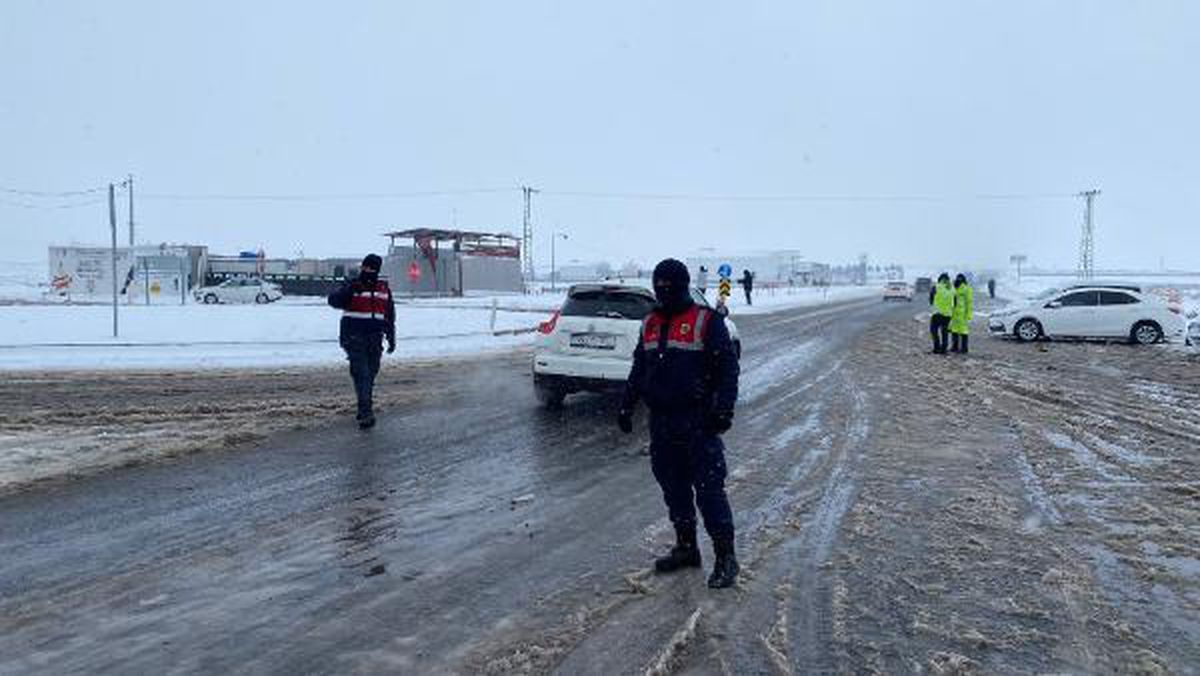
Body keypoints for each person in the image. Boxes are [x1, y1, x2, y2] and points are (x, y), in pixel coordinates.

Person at [619, 258, 741, 589]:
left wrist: (724, 409)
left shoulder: (706, 321)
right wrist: (627, 405)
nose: (663, 291)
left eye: (669, 286)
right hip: (662, 423)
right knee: (673, 489)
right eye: (658, 286)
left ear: (683, 285)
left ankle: (726, 557)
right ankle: (687, 548)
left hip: (699, 422)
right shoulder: (650, 323)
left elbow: (727, 369)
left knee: (709, 490)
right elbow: (639, 368)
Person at [327, 254, 396, 429]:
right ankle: (366, 413)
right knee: (362, 374)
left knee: (371, 374)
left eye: (372, 269)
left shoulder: (383, 289)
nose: (368, 271)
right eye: (365, 268)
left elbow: (389, 315)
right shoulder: (352, 285)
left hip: (375, 338)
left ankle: (364, 406)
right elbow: (333, 300)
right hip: (353, 337)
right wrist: (349, 290)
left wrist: (391, 336)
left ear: (377, 270)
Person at [930, 273, 954, 354]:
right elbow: (955, 301)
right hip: (948, 314)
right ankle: (944, 349)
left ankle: (937, 348)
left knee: (934, 331)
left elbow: (931, 299)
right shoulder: (952, 288)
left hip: (937, 313)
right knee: (945, 332)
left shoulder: (936, 287)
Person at [950, 273, 973, 354]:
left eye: (960, 278)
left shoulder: (967, 289)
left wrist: (969, 314)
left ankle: (964, 348)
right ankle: (955, 347)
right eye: (957, 278)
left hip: (962, 314)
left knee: (963, 331)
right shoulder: (953, 288)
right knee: (954, 330)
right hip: (954, 313)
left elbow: (969, 302)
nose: (958, 280)